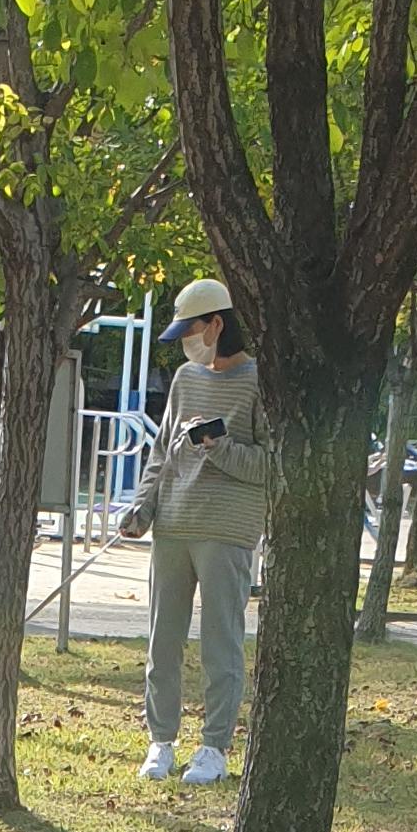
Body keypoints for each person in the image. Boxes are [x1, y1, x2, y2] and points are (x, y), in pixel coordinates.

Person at [118, 276, 266, 786]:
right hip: (173, 526)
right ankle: (160, 741)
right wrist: (143, 506)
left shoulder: (258, 383)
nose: (186, 341)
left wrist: (218, 446)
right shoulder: (184, 378)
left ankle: (214, 748)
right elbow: (161, 452)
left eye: (190, 330)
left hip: (227, 531)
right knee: (163, 641)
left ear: (216, 325)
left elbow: (270, 466)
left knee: (221, 645)